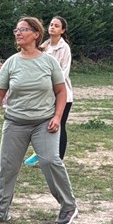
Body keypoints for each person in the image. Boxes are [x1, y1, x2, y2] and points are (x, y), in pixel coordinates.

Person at [0, 17, 78, 224]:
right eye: (16, 30)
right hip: (15, 122)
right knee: (6, 167)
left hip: (43, 123)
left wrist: (57, 117)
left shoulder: (49, 61)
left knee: (50, 160)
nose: (18, 33)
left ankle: (68, 205)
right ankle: (0, 211)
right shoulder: (11, 62)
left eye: (23, 29)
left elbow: (61, 91)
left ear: (36, 34)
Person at [25, 16, 74, 166]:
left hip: (62, 94)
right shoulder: (45, 46)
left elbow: (64, 72)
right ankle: (41, 154)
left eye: (57, 26)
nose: (52, 27)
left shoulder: (64, 48)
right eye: (51, 25)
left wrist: (50, 83)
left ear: (62, 30)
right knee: (43, 125)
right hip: (45, 93)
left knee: (59, 125)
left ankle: (58, 159)